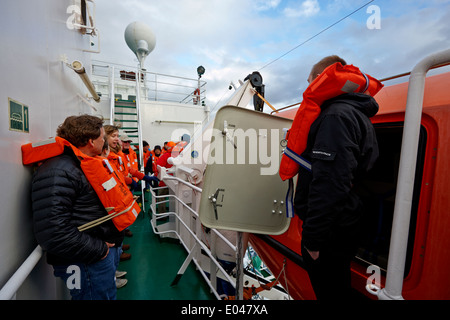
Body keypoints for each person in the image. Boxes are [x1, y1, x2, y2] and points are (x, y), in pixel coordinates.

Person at [293, 55, 380, 300]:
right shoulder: (352, 113)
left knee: (330, 292)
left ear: (320, 80)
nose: (306, 88)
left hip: (330, 233)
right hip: (343, 223)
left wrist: (312, 241)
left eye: (309, 82)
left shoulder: (334, 118)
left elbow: (331, 183)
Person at [31, 115, 122, 300]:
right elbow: (53, 231)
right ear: (91, 141)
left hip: (93, 257)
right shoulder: (59, 170)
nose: (104, 141)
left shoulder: (80, 165)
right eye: (102, 137)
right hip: (87, 260)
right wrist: (100, 250)